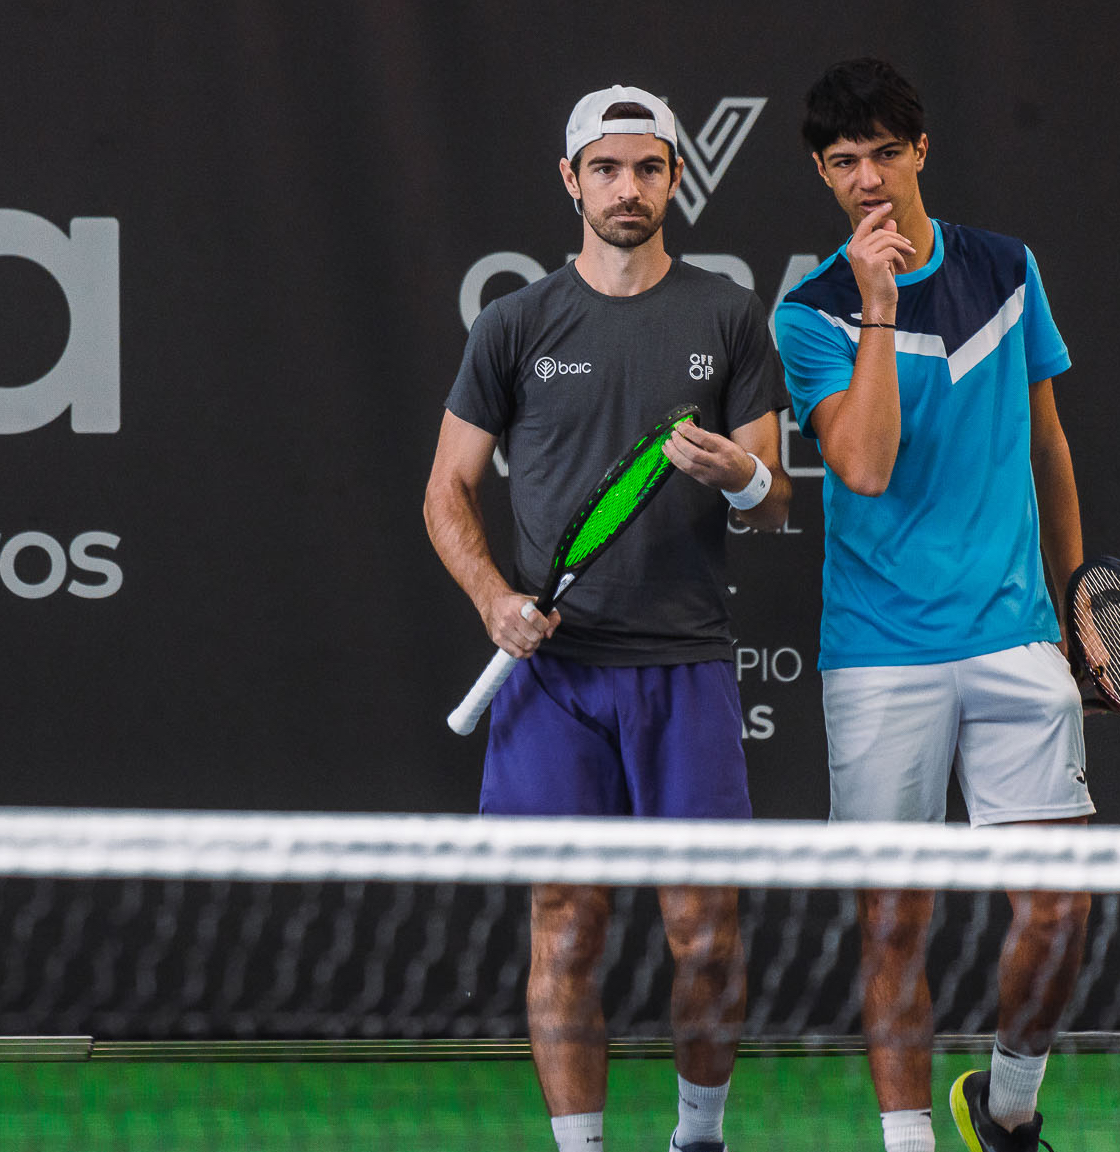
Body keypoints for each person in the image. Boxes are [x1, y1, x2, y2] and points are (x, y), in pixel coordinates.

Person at [424, 84, 791, 1152]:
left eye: (646, 168)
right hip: (552, 680)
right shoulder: (514, 324)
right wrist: (494, 598)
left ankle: (697, 1140)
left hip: (684, 669)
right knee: (565, 927)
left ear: (675, 177)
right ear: (569, 179)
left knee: (705, 938)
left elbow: (773, 499)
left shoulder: (725, 316)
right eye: (604, 168)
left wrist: (735, 476)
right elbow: (445, 488)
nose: (624, 188)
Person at [770, 58, 1095, 1152]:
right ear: (822, 174)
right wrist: (874, 302)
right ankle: (905, 1142)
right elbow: (859, 465)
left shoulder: (1006, 270)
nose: (866, 178)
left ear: (920, 152)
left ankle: (1003, 1110)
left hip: (1013, 632)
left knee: (1057, 914)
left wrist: (1076, 596)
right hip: (878, 652)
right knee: (891, 921)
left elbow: (1046, 444)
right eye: (842, 161)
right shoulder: (809, 313)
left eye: (882, 153)